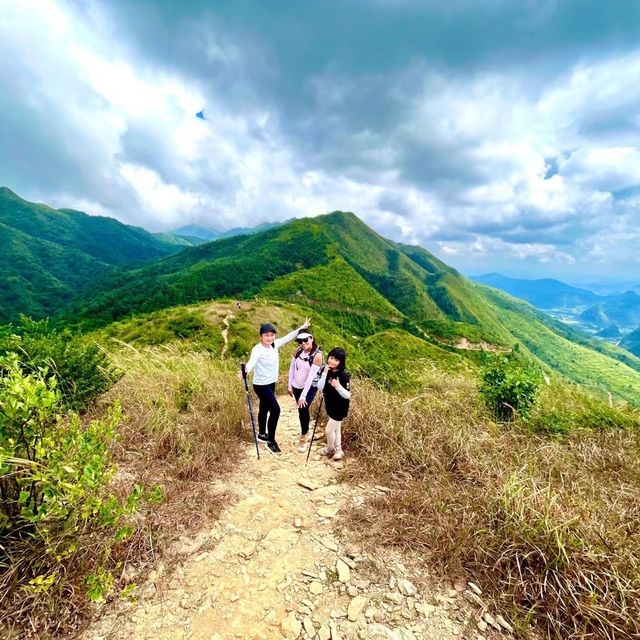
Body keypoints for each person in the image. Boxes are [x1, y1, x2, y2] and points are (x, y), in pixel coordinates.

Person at [243, 318, 310, 455]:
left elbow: (288, 337)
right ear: (261, 336)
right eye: (266, 335)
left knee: (264, 407)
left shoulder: (275, 344)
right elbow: (251, 361)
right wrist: (246, 370)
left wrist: (301, 328)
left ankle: (262, 434)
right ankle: (271, 441)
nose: (270, 338)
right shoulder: (257, 349)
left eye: (272, 335)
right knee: (276, 410)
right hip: (261, 385)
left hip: (271, 383)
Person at [287, 331, 323, 452]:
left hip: (308, 387)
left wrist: (303, 395)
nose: (303, 343)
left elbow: (311, 377)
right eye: (300, 341)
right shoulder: (298, 351)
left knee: (303, 409)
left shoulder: (317, 355)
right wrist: (289, 385)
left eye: (305, 340)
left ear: (311, 338)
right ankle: (305, 430)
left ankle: (304, 437)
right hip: (296, 385)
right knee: (301, 410)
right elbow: (292, 368)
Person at [317, 347, 351, 461]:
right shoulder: (327, 371)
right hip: (330, 405)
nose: (332, 361)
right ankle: (338, 450)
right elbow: (320, 387)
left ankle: (329, 448)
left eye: (336, 360)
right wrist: (324, 373)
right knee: (336, 429)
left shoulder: (343, 376)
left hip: (340, 407)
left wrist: (338, 386)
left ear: (341, 362)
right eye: (331, 358)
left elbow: (347, 395)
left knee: (329, 430)